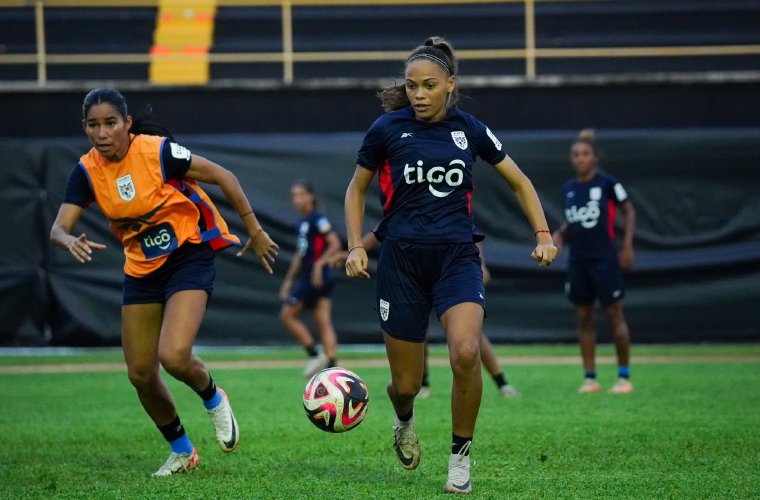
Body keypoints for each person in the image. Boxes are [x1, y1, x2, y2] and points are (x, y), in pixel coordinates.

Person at [343, 37, 557, 495]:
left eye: (429, 86)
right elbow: (355, 190)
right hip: (400, 262)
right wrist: (354, 246)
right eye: (412, 86)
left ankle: (459, 458)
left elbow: (519, 181)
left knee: (464, 352)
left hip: (458, 257)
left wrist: (543, 234)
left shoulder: (471, 129)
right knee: (404, 385)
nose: (419, 94)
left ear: (450, 85)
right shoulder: (385, 129)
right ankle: (404, 420)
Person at [49, 88, 279, 477]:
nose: (102, 133)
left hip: (188, 255)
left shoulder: (158, 152)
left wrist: (254, 230)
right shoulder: (86, 171)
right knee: (140, 373)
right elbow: (58, 227)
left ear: (127, 124)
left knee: (173, 356)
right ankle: (182, 452)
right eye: (93, 125)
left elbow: (224, 176)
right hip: (141, 268)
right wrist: (68, 239)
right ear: (84, 128)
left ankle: (213, 397)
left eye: (110, 123)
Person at [336, 231, 521, 399]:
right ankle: (422, 383)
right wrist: (356, 249)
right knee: (416, 332)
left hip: (450, 271)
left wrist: (480, 264)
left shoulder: (452, 197)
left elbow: (468, 227)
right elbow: (383, 226)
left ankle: (502, 382)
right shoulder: (407, 202)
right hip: (412, 273)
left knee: (470, 338)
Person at [551, 129, 636, 395]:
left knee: (613, 313)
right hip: (578, 261)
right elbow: (573, 220)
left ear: (595, 157)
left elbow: (628, 210)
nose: (580, 159)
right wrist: (560, 234)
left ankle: (623, 377)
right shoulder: (569, 188)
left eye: (585, 154)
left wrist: (627, 245)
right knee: (584, 316)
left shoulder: (607, 183)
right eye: (575, 154)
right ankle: (590, 378)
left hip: (605, 259)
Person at [279, 179, 342, 378]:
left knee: (288, 314)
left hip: (315, 278)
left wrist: (319, 264)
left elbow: (335, 244)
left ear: (310, 196)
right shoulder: (302, 222)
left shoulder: (317, 220)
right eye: (294, 196)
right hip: (309, 277)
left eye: (300, 195)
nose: (296, 200)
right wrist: (289, 280)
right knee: (322, 320)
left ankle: (315, 354)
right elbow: (300, 253)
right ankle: (331, 364)